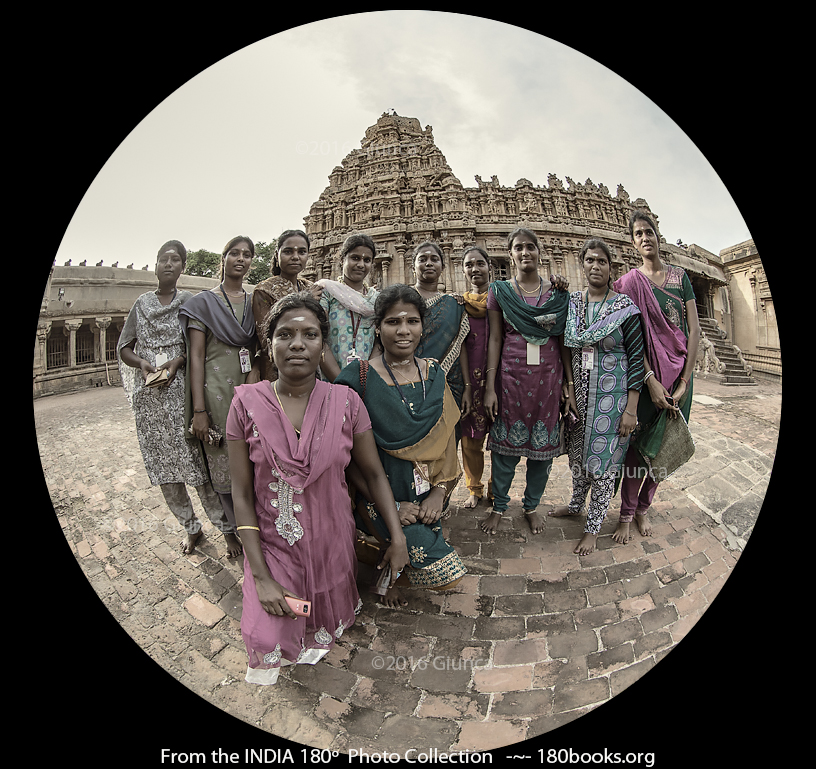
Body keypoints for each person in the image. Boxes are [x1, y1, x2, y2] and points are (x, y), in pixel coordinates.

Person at [226, 293, 409, 685]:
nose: (297, 343)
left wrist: (397, 538)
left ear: (323, 345)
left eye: (310, 334)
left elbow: (374, 475)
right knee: (268, 634)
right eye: (285, 334)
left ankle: (323, 615)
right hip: (274, 547)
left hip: (331, 545)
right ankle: (277, 601)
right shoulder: (245, 404)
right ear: (269, 344)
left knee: (319, 615)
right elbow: (241, 493)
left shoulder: (346, 402)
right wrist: (259, 576)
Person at [336, 284, 467, 609]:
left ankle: (390, 574)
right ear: (378, 328)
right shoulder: (358, 378)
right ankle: (385, 561)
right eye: (393, 322)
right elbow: (345, 456)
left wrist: (439, 492)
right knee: (442, 570)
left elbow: (448, 440)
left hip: (426, 492)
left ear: (423, 326)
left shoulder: (434, 373)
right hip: (376, 493)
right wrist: (390, 505)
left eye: (412, 321)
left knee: (423, 544)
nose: (404, 330)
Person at [118, 240, 238, 556]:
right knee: (165, 473)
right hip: (151, 399)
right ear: (155, 264)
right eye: (163, 259)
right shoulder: (141, 304)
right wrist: (143, 364)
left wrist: (177, 361)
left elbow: (200, 345)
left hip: (182, 394)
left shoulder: (191, 301)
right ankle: (191, 529)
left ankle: (227, 532)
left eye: (175, 260)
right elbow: (124, 348)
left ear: (183, 267)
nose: (168, 264)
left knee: (196, 468)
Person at [549, 239, 645, 554]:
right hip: (580, 397)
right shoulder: (574, 304)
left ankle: (593, 528)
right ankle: (577, 504)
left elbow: (636, 357)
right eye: (589, 260)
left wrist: (631, 408)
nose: (595, 266)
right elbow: (565, 344)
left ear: (610, 267)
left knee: (603, 464)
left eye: (601, 261)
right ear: (583, 264)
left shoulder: (625, 308)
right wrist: (570, 388)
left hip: (612, 401)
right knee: (578, 457)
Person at [611, 211, 700, 541]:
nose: (645, 237)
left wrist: (685, 383)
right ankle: (626, 512)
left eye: (649, 231)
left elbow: (693, 331)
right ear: (633, 242)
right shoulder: (632, 282)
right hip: (650, 381)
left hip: (681, 379)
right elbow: (631, 334)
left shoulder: (680, 277)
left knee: (663, 448)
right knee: (639, 448)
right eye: (638, 234)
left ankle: (644, 509)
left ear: (658, 236)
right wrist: (650, 379)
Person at [481, 228, 571, 536]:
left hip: (548, 378)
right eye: (518, 247)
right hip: (510, 378)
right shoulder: (500, 290)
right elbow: (495, 338)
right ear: (510, 254)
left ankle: (531, 506)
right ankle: (499, 506)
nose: (525, 252)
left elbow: (562, 341)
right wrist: (489, 387)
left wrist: (567, 384)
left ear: (539, 251)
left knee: (542, 450)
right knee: (504, 449)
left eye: (530, 247)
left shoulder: (557, 294)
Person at [179, 235, 259, 552]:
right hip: (215, 393)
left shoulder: (255, 302)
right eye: (235, 253)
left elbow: (256, 349)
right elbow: (196, 357)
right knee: (222, 463)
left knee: (253, 461)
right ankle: (232, 530)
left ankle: (255, 528)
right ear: (222, 258)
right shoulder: (202, 304)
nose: (241, 259)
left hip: (249, 389)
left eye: (248, 255)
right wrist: (199, 411)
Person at [252, 229, 323, 381]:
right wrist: (304, 299)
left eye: (302, 252)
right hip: (276, 367)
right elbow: (266, 339)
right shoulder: (264, 290)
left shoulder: (310, 286)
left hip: (308, 363)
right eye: (288, 251)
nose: (295, 257)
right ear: (277, 255)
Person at [411, 241, 470, 411]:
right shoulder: (403, 299)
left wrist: (468, 385)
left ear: (442, 267)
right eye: (422, 259)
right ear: (413, 267)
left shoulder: (454, 304)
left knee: (449, 434)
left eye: (434, 259)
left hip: (450, 382)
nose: (428, 263)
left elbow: (461, 347)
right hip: (407, 380)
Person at [317, 233, 379, 381]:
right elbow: (318, 338)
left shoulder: (376, 299)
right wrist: (341, 380)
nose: (361, 265)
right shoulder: (326, 292)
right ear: (342, 259)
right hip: (330, 379)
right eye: (355, 258)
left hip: (367, 380)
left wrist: (366, 379)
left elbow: (380, 342)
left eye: (367, 260)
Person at [459, 246, 493, 509]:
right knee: (471, 439)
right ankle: (475, 487)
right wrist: (467, 386)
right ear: (463, 270)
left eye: (480, 263)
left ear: (489, 267)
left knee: (503, 440)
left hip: (500, 378)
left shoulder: (502, 301)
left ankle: (498, 489)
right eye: (469, 265)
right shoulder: (459, 305)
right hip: (469, 378)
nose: (475, 269)